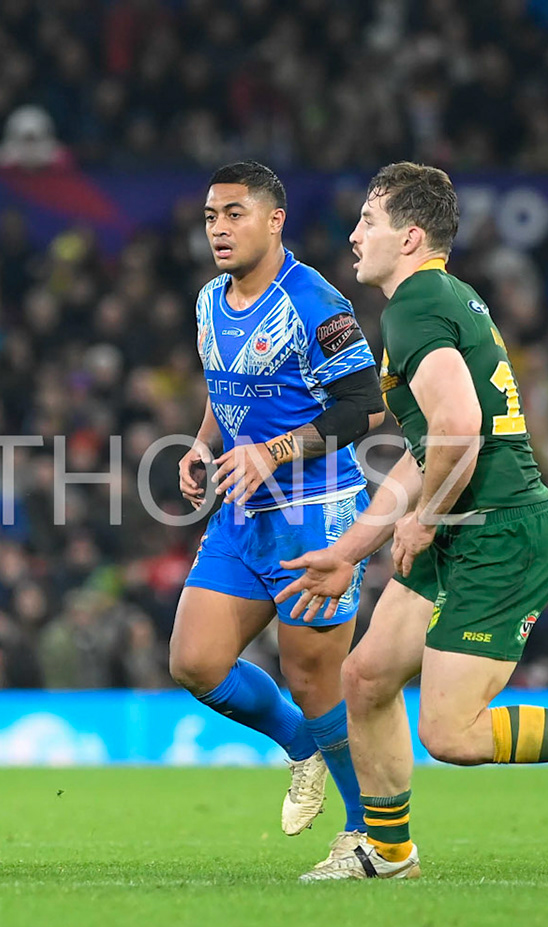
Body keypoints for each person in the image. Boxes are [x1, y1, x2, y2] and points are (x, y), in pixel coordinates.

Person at [282, 162, 548, 881]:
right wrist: (353, 548)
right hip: (468, 524)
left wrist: (426, 520)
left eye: (370, 222)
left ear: (411, 237)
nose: (354, 235)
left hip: (499, 530)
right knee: (367, 674)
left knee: (452, 733)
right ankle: (386, 849)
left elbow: (462, 428)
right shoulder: (444, 298)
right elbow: (426, 453)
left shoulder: (415, 306)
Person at [170, 162, 384, 871]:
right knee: (195, 661)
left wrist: (274, 450)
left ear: (273, 219)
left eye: (234, 213)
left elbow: (362, 406)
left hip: (314, 513)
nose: (219, 229)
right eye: (210, 216)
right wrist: (205, 443)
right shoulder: (207, 300)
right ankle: (302, 746)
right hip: (241, 509)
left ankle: (368, 833)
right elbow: (224, 388)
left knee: (315, 677)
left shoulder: (315, 302)